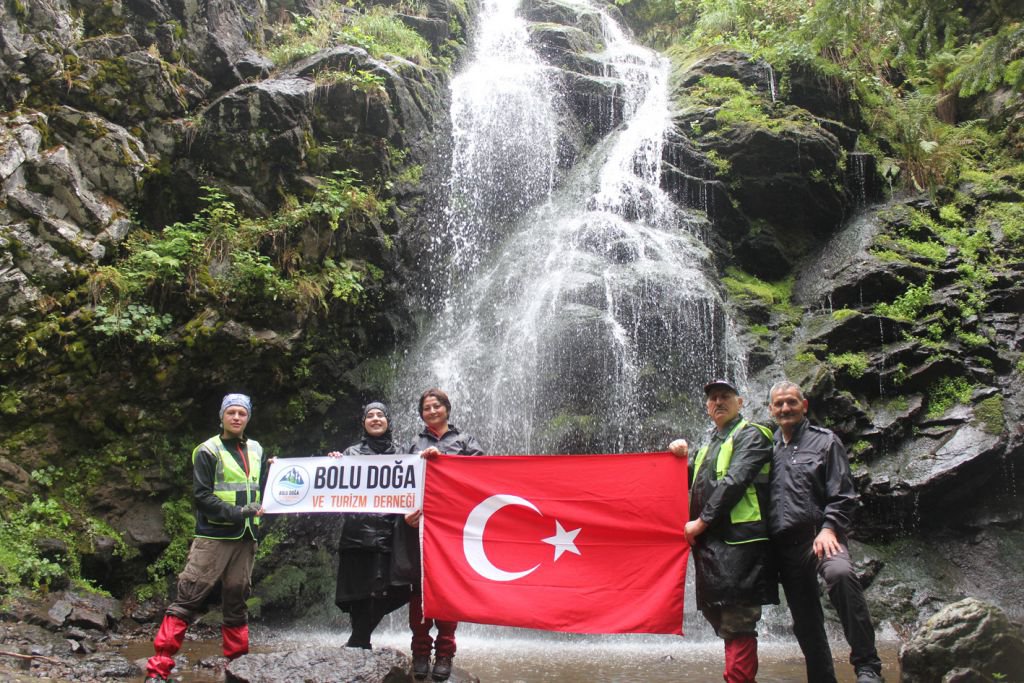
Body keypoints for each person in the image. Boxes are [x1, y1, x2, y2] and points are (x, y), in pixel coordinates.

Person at [145, 393, 268, 682]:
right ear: (222, 416)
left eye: (242, 413)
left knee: (237, 599)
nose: (237, 417)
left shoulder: (257, 449)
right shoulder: (207, 450)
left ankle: (237, 669)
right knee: (189, 596)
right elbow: (201, 496)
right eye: (231, 412)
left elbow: (264, 483)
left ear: (248, 417)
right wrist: (238, 512)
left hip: (246, 537)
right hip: (214, 535)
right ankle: (158, 669)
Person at [767, 381, 883, 683]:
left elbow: (843, 493)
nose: (785, 408)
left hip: (821, 536)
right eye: (778, 404)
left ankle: (868, 668)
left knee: (841, 576)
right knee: (805, 621)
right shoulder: (768, 449)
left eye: (791, 402)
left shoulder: (825, 441)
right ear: (770, 410)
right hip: (785, 547)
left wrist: (830, 527)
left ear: (804, 406)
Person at [668, 379, 777, 683]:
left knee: (738, 620)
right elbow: (693, 481)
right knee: (722, 618)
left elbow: (735, 481)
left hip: (742, 545)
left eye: (725, 397)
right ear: (707, 407)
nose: (718, 402)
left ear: (740, 402)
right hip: (713, 546)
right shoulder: (710, 444)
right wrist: (677, 458)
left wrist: (700, 522)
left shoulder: (753, 435)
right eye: (713, 398)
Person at [403, 387, 484, 682]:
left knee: (448, 588)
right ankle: (420, 650)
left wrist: (445, 461)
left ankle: (446, 653)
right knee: (419, 589)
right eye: (426, 408)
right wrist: (406, 516)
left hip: (454, 528)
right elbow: (400, 485)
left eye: (437, 406)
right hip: (421, 527)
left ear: (447, 408)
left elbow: (482, 476)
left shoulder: (465, 441)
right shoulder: (413, 444)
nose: (432, 411)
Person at [328, 402, 412, 649]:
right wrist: (333, 462)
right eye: (370, 416)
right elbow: (333, 486)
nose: (375, 419)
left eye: (380, 415)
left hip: (390, 534)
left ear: (388, 421)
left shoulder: (404, 453)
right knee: (359, 593)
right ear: (363, 422)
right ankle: (361, 641)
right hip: (356, 533)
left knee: (391, 590)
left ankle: (358, 639)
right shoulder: (351, 453)